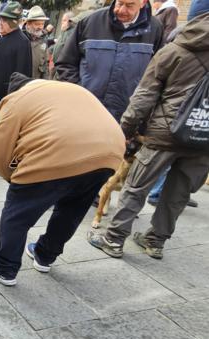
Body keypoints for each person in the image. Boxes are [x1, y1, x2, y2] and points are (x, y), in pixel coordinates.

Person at [87, 4, 209, 260]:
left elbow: (144, 95)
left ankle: (113, 239)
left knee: (137, 185)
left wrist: (126, 130)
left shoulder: (175, 49)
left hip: (165, 132)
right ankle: (155, 241)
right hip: (204, 135)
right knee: (179, 193)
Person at [0, 73, 125, 286]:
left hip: (57, 152)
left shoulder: (15, 99)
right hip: (109, 153)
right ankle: (44, 255)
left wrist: (12, 179)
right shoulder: (66, 89)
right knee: (71, 210)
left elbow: (1, 150)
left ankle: (5, 267)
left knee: (17, 215)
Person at [55, 0, 163, 123]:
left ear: (143, 3)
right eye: (119, 3)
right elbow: (65, 63)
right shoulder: (91, 22)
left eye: (129, 5)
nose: (122, 10)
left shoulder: (155, 29)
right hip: (84, 112)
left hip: (126, 119)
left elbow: (157, 75)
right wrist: (80, 93)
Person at [0, 1, 32, 145]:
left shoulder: (23, 42)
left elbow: (22, 73)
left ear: (13, 23)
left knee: (3, 122)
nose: (0, 23)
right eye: (0, 20)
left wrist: (13, 92)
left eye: (4, 21)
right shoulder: (1, 38)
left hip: (7, 92)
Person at [23, 6, 49, 79]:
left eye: (42, 24)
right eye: (37, 24)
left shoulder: (43, 40)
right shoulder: (20, 39)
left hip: (35, 84)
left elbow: (45, 66)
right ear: (28, 24)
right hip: (21, 84)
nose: (40, 27)